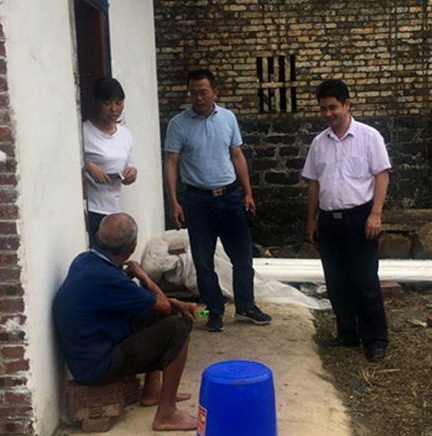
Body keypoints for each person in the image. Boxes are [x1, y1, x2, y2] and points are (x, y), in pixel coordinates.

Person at [53, 213, 198, 431]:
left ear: (97, 237)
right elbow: (163, 307)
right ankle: (167, 414)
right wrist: (142, 274)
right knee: (178, 327)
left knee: (153, 314)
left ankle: (153, 392)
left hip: (86, 358)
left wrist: (175, 302)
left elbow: (141, 299)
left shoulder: (85, 260)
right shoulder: (109, 277)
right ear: (133, 246)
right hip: (97, 367)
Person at [164, 69, 271, 333]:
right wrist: (174, 201)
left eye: (203, 92)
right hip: (198, 201)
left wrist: (248, 192)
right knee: (203, 261)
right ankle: (215, 311)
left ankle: (245, 306)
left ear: (215, 92)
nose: (198, 98)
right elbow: (171, 163)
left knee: (242, 257)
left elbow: (237, 155)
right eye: (193, 93)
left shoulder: (228, 118)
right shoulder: (178, 124)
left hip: (230, 197)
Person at [302, 79, 390, 362]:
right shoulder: (319, 143)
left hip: (360, 219)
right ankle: (347, 333)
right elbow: (313, 183)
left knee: (365, 281)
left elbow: (381, 175)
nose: (328, 114)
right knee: (336, 280)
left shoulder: (369, 137)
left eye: (333, 107)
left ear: (347, 104)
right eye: (323, 109)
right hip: (329, 221)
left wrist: (375, 214)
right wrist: (312, 220)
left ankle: (375, 340)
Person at [83, 77, 138, 246]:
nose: (114, 109)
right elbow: (67, 165)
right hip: (91, 209)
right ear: (96, 102)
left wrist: (132, 174)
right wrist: (88, 166)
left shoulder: (125, 134)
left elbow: (128, 166)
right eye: (107, 103)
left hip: (114, 210)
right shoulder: (84, 132)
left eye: (119, 103)